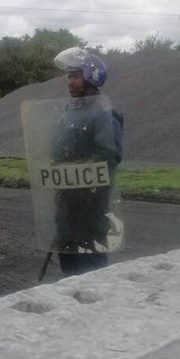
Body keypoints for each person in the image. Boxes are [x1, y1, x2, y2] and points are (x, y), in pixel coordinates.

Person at [51, 48, 123, 275]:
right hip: (66, 202)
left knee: (90, 266)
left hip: (90, 205)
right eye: (68, 76)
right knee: (68, 263)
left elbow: (108, 156)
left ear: (90, 76)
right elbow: (58, 148)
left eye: (75, 76)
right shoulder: (69, 111)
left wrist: (74, 169)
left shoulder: (103, 112)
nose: (69, 82)